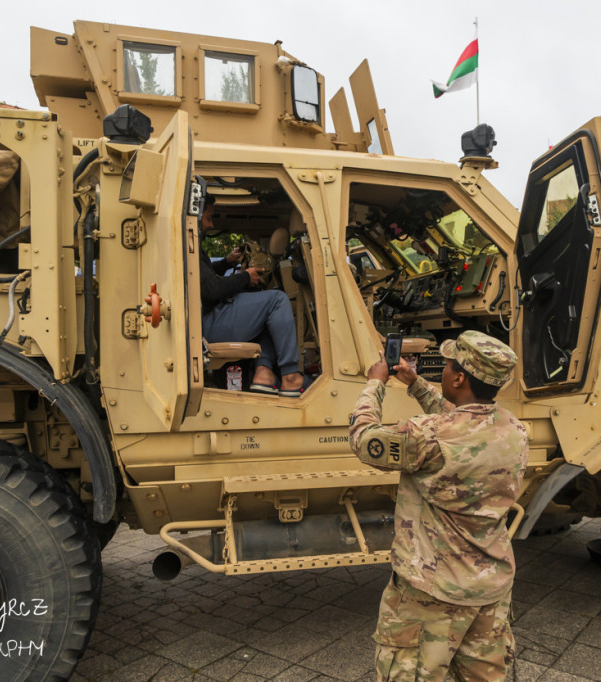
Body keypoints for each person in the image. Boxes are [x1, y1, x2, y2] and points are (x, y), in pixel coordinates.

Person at [348, 330, 529, 681]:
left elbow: (363, 439)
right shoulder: (514, 429)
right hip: (489, 590)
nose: (442, 372)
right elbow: (459, 419)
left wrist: (375, 383)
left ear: (459, 378)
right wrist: (416, 383)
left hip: (432, 594)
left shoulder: (427, 435)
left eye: (446, 366)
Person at [199, 196, 307, 396]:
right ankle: (291, 375)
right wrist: (244, 278)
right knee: (277, 300)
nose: (211, 224)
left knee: (266, 314)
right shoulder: (188, 244)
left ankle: (263, 375)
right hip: (206, 325)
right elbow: (210, 288)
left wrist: (226, 262)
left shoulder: (190, 247)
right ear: (195, 217)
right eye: (208, 218)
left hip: (206, 321)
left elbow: (202, 276)